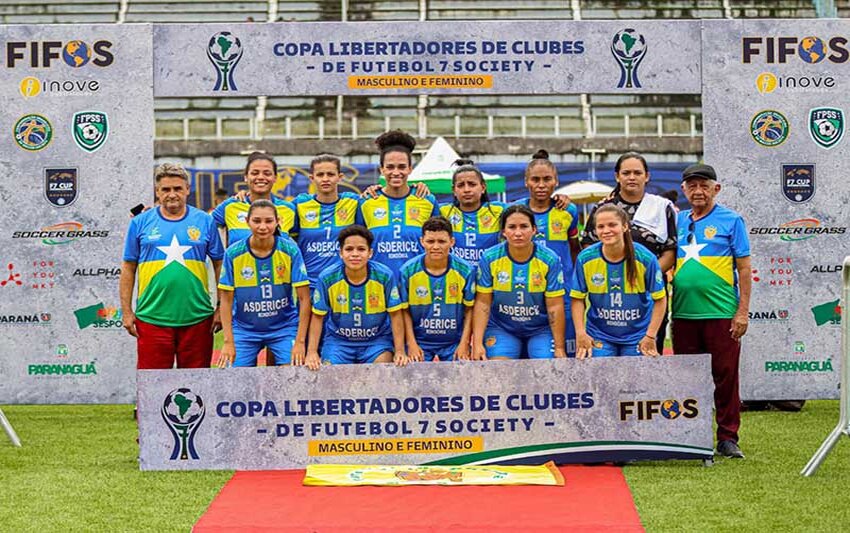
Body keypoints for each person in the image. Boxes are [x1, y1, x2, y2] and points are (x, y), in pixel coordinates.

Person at [672, 163, 751, 459]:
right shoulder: (678, 220)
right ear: (684, 190)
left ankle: (728, 438)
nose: (698, 191)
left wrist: (742, 312)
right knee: (687, 379)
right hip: (683, 315)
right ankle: (691, 435)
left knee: (726, 377)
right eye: (692, 186)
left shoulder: (731, 220)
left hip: (720, 313)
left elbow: (744, 269)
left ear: (716, 188)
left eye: (704, 185)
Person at [120, 163, 224, 369]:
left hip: (198, 317)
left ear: (187, 189)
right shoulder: (140, 223)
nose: (172, 194)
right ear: (157, 192)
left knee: (197, 387)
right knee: (153, 386)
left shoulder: (205, 221)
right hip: (151, 317)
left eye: (177, 188)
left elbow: (220, 263)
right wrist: (126, 311)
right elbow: (128, 267)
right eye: (166, 189)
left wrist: (220, 308)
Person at [580, 152, 677, 354]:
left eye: (637, 172)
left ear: (646, 176)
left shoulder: (662, 207)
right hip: (608, 296)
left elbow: (670, 251)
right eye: (626, 173)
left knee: (647, 360)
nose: (631, 177)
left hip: (648, 293)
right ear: (617, 176)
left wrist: (643, 275)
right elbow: (587, 247)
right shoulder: (603, 208)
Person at [216, 200, 311, 368]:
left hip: (284, 328)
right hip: (245, 330)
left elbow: (304, 299)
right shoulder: (233, 253)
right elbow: (226, 300)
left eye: (268, 221)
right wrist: (228, 342)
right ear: (247, 222)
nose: (263, 227)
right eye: (257, 221)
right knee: (232, 380)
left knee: (294, 375)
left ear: (277, 222)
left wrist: (300, 342)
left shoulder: (290, 250)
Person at [472, 205, 567, 360]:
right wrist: (477, 344)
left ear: (534, 230)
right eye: (511, 227)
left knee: (548, 369)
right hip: (501, 328)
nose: (518, 233)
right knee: (498, 370)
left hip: (540, 328)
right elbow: (483, 303)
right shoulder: (490, 258)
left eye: (524, 226)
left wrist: (559, 347)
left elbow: (555, 305)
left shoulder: (550, 259)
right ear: (503, 231)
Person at [571, 204, 667, 358]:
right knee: (601, 379)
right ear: (595, 231)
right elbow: (577, 298)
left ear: (624, 226)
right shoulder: (586, 258)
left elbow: (660, 299)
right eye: (600, 226)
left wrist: (650, 335)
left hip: (637, 335)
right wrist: (580, 333)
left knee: (635, 380)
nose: (606, 230)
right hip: (600, 334)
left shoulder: (645, 258)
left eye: (612, 225)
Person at [306, 225, 408, 369]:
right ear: (340, 253)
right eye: (349, 249)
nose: (355, 254)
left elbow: (396, 314)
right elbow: (317, 317)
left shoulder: (384, 275)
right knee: (330, 375)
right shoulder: (327, 277)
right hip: (339, 342)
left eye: (361, 249)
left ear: (370, 253)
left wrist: (399, 351)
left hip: (376, 342)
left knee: (382, 370)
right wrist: (311, 352)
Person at [515, 150, 580, 356]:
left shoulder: (568, 211)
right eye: (535, 179)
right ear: (526, 182)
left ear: (556, 181)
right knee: (532, 355)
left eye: (547, 179)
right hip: (527, 295)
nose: (541, 185)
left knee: (566, 355)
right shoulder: (516, 212)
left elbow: (574, 250)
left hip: (563, 293)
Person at [357, 130, 440, 271]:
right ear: (381, 170)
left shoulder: (427, 200)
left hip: (418, 284)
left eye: (401, 167)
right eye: (390, 167)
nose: (396, 172)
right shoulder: (367, 201)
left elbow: (438, 244)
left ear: (410, 169)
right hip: (378, 284)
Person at [399, 217, 476, 362]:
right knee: (413, 376)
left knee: (463, 375)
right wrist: (412, 344)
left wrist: (464, 344)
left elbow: (469, 310)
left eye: (441, 241)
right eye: (430, 241)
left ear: (452, 242)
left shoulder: (465, 270)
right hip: (421, 342)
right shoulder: (407, 271)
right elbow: (404, 311)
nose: (435, 247)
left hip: (454, 342)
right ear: (422, 241)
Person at [292, 154, 360, 286]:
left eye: (330, 174)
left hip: (342, 283)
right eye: (320, 175)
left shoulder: (353, 202)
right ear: (312, 178)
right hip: (309, 284)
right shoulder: (299, 204)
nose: (325, 179)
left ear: (340, 177)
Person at [212, 151, 297, 246]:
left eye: (267, 173)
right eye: (255, 173)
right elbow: (203, 226)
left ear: (275, 178)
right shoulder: (230, 206)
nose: (260, 177)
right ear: (246, 177)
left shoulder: (289, 209)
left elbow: (307, 239)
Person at [439, 159, 506, 268]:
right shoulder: (442, 211)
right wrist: (417, 187)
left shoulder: (499, 210)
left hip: (488, 279)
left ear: (483, 187)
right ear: (454, 190)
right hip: (456, 281)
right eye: (461, 185)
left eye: (472, 184)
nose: (466, 190)